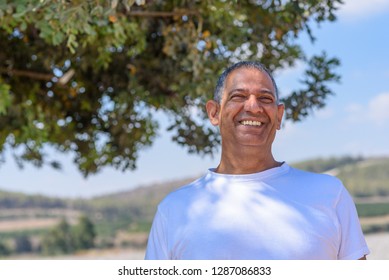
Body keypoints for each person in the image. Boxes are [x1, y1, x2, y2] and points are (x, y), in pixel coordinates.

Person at [145, 61, 370, 260]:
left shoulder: (330, 194)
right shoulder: (174, 210)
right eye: (238, 97)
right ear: (214, 113)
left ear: (279, 116)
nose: (253, 107)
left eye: (265, 98)